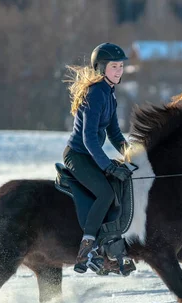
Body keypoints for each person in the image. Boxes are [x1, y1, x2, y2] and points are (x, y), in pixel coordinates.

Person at [64, 42, 133, 274]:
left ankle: (109, 245)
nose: (119, 71)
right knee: (105, 193)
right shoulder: (95, 94)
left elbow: (114, 133)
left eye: (121, 66)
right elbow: (89, 139)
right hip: (78, 156)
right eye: (114, 66)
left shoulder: (110, 95)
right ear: (101, 68)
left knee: (119, 185)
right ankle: (87, 248)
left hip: (90, 155)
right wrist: (108, 166)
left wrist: (132, 155)